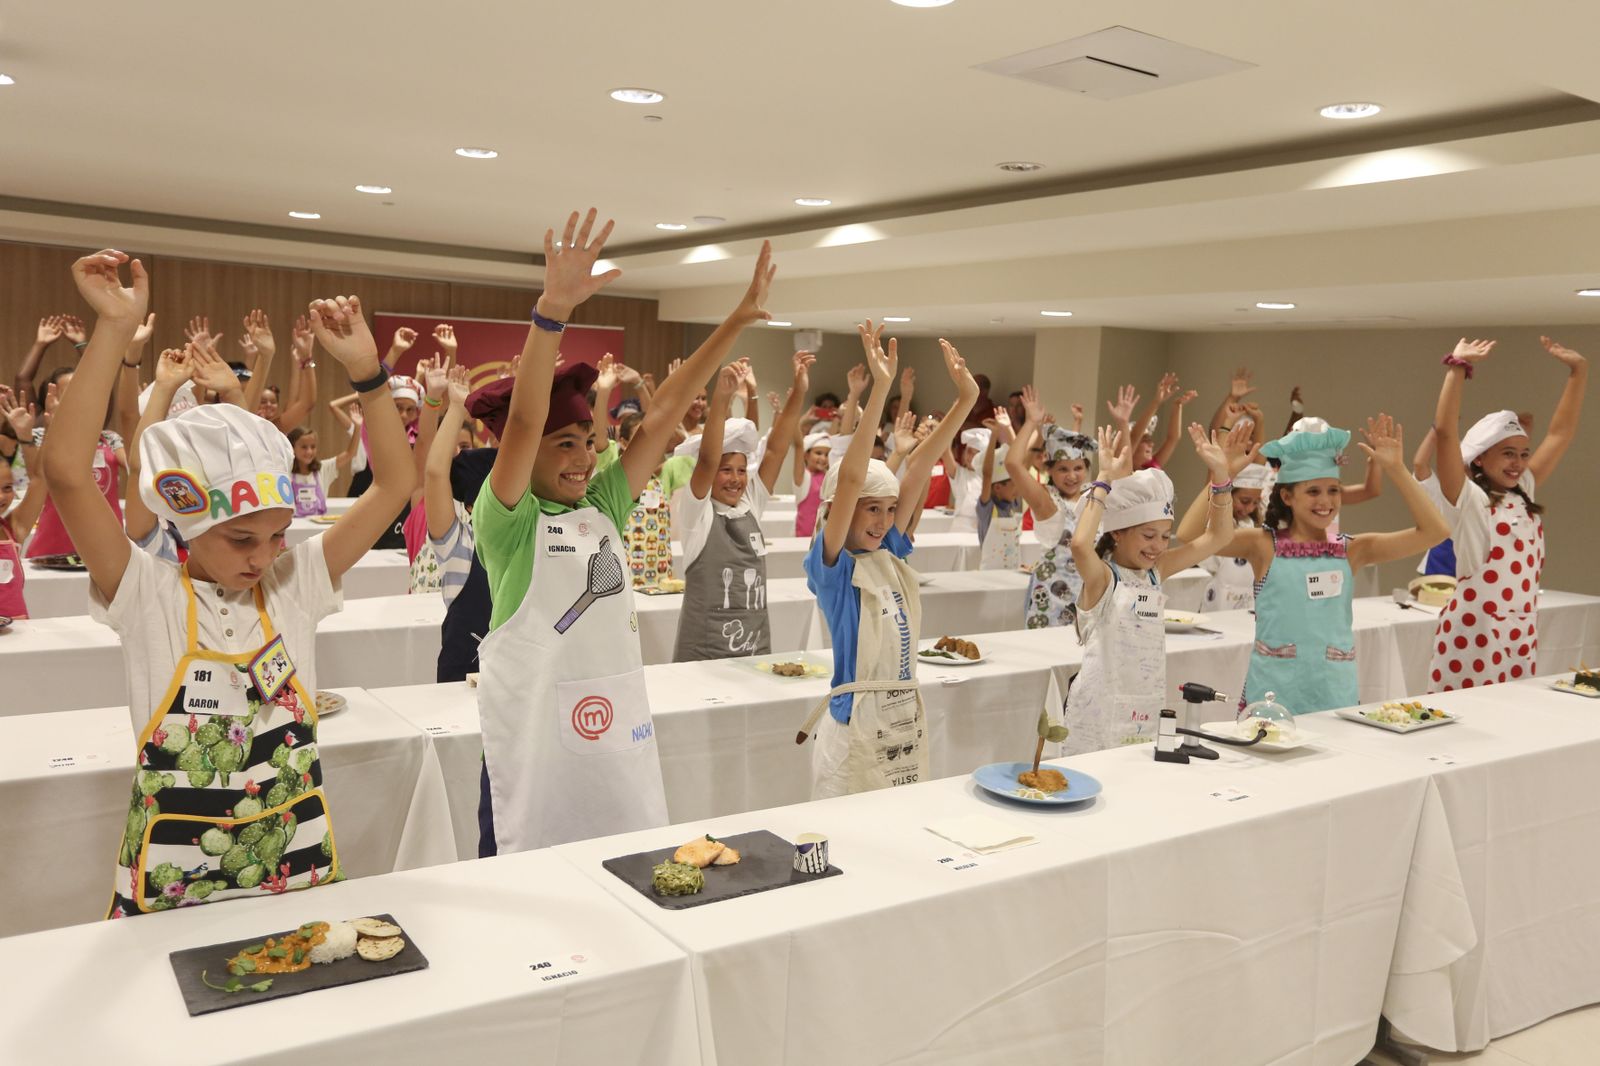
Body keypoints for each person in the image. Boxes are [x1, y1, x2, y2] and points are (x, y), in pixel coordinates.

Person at [45, 250, 413, 916]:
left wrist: (368, 371)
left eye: (277, 536)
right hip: (170, 884)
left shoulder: (295, 583)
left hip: (294, 873)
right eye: (242, 540)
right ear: (186, 526)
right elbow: (67, 472)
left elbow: (394, 485)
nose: (264, 556)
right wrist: (110, 328)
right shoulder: (146, 592)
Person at [474, 211, 778, 855]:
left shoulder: (605, 505)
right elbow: (525, 419)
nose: (585, 457)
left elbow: (666, 409)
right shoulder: (510, 520)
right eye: (565, 444)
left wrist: (738, 318)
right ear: (520, 454)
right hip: (534, 755)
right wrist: (551, 313)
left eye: (589, 441)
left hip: (613, 738)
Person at [798, 325, 978, 799]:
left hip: (900, 723)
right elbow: (854, 474)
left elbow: (919, 468)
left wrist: (964, 401)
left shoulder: (888, 554)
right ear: (839, 509)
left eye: (889, 510)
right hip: (851, 729)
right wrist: (880, 389)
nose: (882, 522)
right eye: (869, 509)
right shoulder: (833, 567)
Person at [1208, 415, 1449, 713]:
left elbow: (1436, 531)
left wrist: (1396, 469)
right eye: (1313, 491)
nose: (1326, 501)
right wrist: (1221, 477)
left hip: (1333, 690)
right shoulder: (1262, 545)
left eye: (1333, 490)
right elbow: (1192, 535)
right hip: (1274, 690)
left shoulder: (1352, 550)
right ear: (1287, 495)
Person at [1064, 423, 1242, 752]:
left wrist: (1220, 478)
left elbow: (1219, 536)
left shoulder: (1155, 572)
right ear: (1117, 532)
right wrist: (1103, 481)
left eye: (1164, 536)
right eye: (1148, 535)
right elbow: (1079, 545)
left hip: (1144, 703)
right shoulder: (1104, 577)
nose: (1158, 546)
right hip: (1097, 708)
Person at [1426, 336, 1587, 691]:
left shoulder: (1523, 491)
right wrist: (1458, 367)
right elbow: (1446, 432)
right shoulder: (1467, 497)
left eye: (1523, 453)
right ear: (1480, 458)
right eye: (1507, 453)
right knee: (1468, 722)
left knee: (1512, 714)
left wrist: (1578, 373)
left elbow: (1561, 433)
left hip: (1520, 628)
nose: (1518, 463)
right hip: (1473, 631)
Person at [673, 352, 811, 661]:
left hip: (754, 646)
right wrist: (721, 399)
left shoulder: (751, 504)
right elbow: (708, 460)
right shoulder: (698, 514)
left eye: (741, 470)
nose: (736, 479)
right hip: (704, 652)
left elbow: (776, 450)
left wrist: (799, 390)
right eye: (726, 471)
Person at [1008, 385, 1097, 629]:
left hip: (1090, 601)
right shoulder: (1047, 502)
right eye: (1062, 469)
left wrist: (1077, 425)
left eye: (1078, 468)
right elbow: (1013, 464)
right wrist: (1031, 423)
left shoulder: (1094, 497)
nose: (1071, 476)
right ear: (1049, 470)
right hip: (1052, 605)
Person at [1178, 459, 1274, 612]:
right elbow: (1186, 537)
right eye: (1244, 501)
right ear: (1228, 495)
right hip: (1215, 604)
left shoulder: (1253, 526)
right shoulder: (1211, 526)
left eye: (1255, 503)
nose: (1249, 508)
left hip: (1247, 606)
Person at [975, 410, 1025, 570]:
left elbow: (1019, 462)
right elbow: (987, 474)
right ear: (997, 487)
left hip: (1012, 568)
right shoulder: (987, 509)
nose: (1017, 488)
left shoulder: (1011, 504)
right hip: (990, 572)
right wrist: (994, 436)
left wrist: (1009, 428)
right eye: (1012, 483)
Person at [287, 422, 361, 518]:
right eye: (304, 447)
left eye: (313, 447)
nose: (309, 451)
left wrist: (357, 427)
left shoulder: (323, 469)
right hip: (295, 527)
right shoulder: (286, 472)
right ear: (292, 448)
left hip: (318, 527)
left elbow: (350, 454)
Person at [792, 429, 830, 538]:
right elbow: (798, 447)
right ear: (806, 455)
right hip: (804, 538)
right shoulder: (803, 478)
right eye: (818, 453)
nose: (823, 458)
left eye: (827, 454)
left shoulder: (828, 476)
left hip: (824, 538)